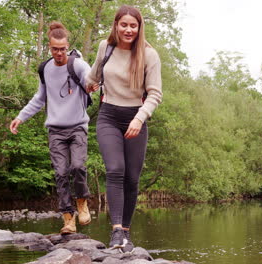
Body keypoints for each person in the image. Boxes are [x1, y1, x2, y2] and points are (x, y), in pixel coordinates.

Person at [86, 5, 162, 253]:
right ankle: (116, 230)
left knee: (132, 178)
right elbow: (94, 76)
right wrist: (89, 85)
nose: (128, 30)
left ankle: (126, 233)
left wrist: (139, 119)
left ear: (139, 28)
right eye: (124, 24)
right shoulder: (104, 47)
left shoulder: (150, 55)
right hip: (108, 115)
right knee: (115, 169)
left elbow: (154, 94)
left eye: (133, 25)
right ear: (116, 25)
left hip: (135, 117)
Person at [9, 21, 93, 235]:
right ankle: (68, 220)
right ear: (49, 47)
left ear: (67, 46)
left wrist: (93, 86)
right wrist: (21, 117)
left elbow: (94, 82)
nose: (59, 53)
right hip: (55, 130)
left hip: (77, 127)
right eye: (55, 49)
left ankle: (82, 204)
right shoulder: (45, 69)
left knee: (78, 167)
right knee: (61, 173)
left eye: (62, 49)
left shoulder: (79, 65)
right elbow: (40, 98)